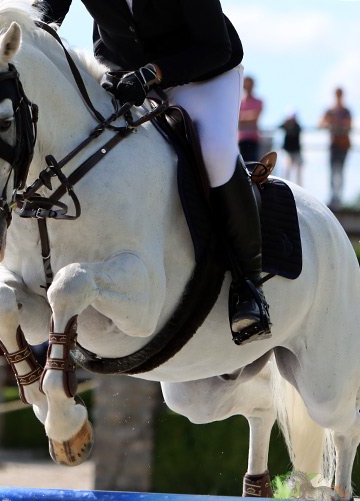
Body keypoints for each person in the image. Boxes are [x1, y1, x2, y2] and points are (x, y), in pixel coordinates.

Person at [41, 0, 270, 343]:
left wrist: (154, 73)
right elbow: (43, 12)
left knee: (217, 153)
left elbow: (216, 48)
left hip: (203, 73)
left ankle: (249, 287)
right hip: (125, 73)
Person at [319, 87, 352, 208]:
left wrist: (335, 124)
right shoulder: (331, 110)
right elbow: (321, 123)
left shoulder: (345, 111)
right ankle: (334, 198)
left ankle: (339, 198)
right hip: (333, 145)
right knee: (333, 171)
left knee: (340, 171)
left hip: (343, 145)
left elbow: (348, 125)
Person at [238, 75, 264, 163]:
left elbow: (255, 118)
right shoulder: (239, 102)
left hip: (253, 139)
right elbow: (237, 119)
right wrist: (250, 115)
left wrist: (242, 117)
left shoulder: (259, 101)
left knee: (253, 166)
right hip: (241, 139)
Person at [279, 112, 303, 186]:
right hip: (287, 152)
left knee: (298, 171)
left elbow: (296, 131)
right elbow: (280, 127)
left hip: (296, 152)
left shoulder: (297, 126)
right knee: (286, 170)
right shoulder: (285, 125)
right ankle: (285, 186)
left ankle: (299, 186)